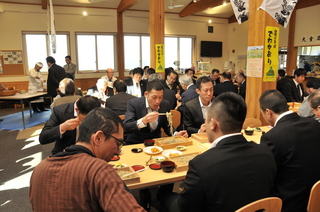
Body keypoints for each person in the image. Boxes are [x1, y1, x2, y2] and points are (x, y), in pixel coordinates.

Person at [161, 92, 276, 212]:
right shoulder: (265, 152)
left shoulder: (201, 164)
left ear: (213, 124)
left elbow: (185, 208)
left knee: (167, 198)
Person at [30, 107, 146, 212]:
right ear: (98, 138)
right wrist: (105, 175)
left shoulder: (39, 169)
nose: (118, 151)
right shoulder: (99, 170)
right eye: (118, 143)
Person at [259, 90, 320, 212]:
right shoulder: (314, 124)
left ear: (268, 112)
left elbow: (268, 176)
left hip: (290, 203)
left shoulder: (272, 137)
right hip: (316, 197)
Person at [124, 80, 188, 145]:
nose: (158, 101)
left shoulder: (165, 104)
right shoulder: (134, 104)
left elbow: (167, 125)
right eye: (154, 97)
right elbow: (126, 127)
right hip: (136, 143)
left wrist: (176, 134)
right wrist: (143, 121)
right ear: (146, 94)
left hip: (156, 143)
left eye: (160, 97)